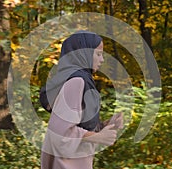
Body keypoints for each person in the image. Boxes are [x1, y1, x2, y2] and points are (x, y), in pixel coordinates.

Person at [40, 30, 123, 169]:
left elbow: (78, 127)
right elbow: (59, 132)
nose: (102, 59)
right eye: (98, 54)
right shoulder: (76, 82)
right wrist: (97, 137)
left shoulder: (81, 80)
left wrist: (106, 125)